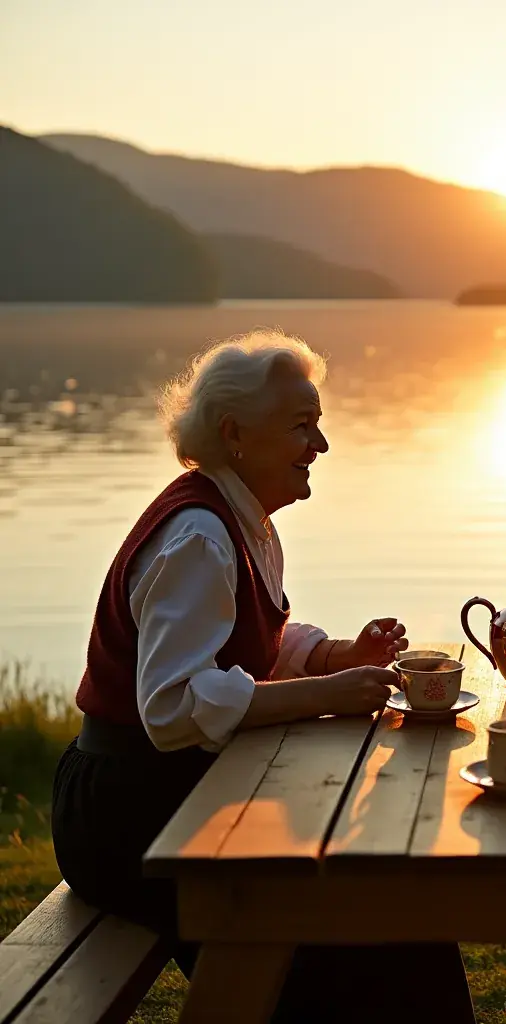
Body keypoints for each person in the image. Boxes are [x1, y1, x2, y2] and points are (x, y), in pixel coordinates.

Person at [51, 330, 476, 1023]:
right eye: (303, 427)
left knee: (393, 906)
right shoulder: (198, 536)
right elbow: (171, 709)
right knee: (336, 931)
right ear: (234, 434)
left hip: (169, 797)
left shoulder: (238, 519)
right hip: (129, 816)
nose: (322, 446)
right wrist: (328, 693)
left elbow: (244, 643)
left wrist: (334, 655)